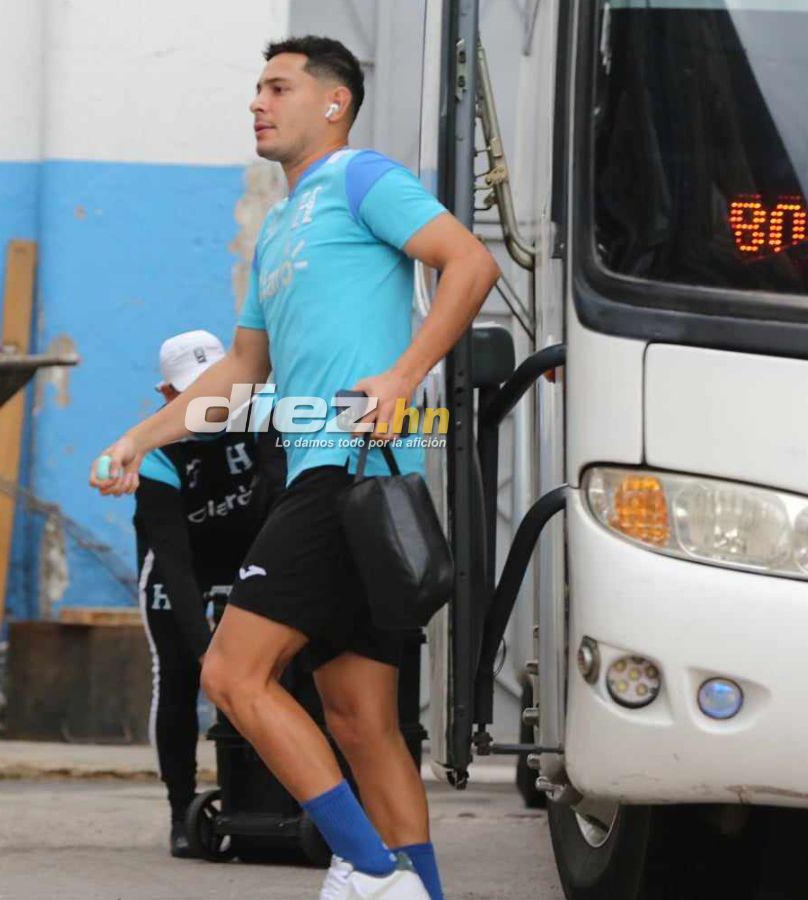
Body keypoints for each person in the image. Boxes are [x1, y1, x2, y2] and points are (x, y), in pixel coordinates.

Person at [90, 36, 498, 899]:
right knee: (359, 720)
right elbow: (242, 373)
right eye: (256, 89)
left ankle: (371, 867)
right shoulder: (277, 226)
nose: (258, 103)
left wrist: (403, 373)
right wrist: (143, 437)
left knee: (233, 675)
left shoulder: (363, 179)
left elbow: (471, 263)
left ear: (334, 102)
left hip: (351, 472)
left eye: (278, 87)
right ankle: (414, 892)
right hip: (327, 479)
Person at [106, 329, 282, 857]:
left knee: (275, 672)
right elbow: (176, 567)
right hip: (181, 570)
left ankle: (279, 798)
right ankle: (180, 807)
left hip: (252, 555)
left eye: (218, 388)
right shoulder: (157, 454)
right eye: (193, 393)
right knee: (181, 675)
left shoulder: (267, 417)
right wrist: (208, 651)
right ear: (168, 396)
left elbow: (280, 504)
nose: (212, 405)